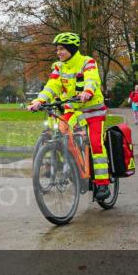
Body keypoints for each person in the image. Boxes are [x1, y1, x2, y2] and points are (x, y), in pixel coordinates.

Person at [28, 32, 111, 200]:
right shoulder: (59, 67)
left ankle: (103, 184)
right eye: (57, 49)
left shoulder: (87, 62)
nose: (58, 52)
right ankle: (77, 170)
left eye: (62, 49)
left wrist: (88, 91)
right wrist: (39, 100)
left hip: (93, 110)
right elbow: (52, 86)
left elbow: (92, 79)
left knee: (95, 142)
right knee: (62, 132)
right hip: (73, 110)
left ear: (72, 49)